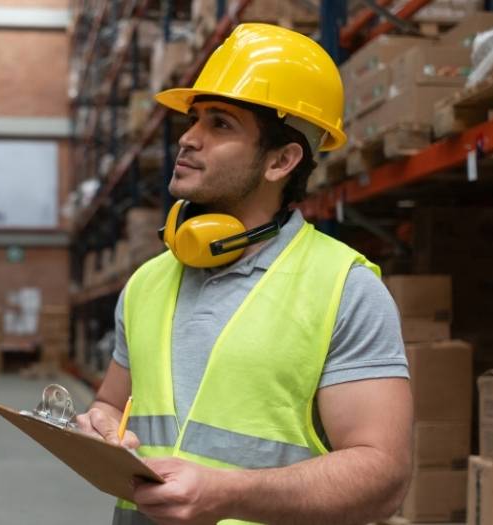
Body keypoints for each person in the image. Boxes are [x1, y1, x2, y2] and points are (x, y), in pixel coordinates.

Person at [74, 23, 413, 525]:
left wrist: (229, 494)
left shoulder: (344, 288)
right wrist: (98, 428)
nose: (188, 139)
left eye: (221, 124)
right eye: (193, 120)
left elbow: (383, 475)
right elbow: (110, 402)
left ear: (281, 160)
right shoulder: (148, 281)